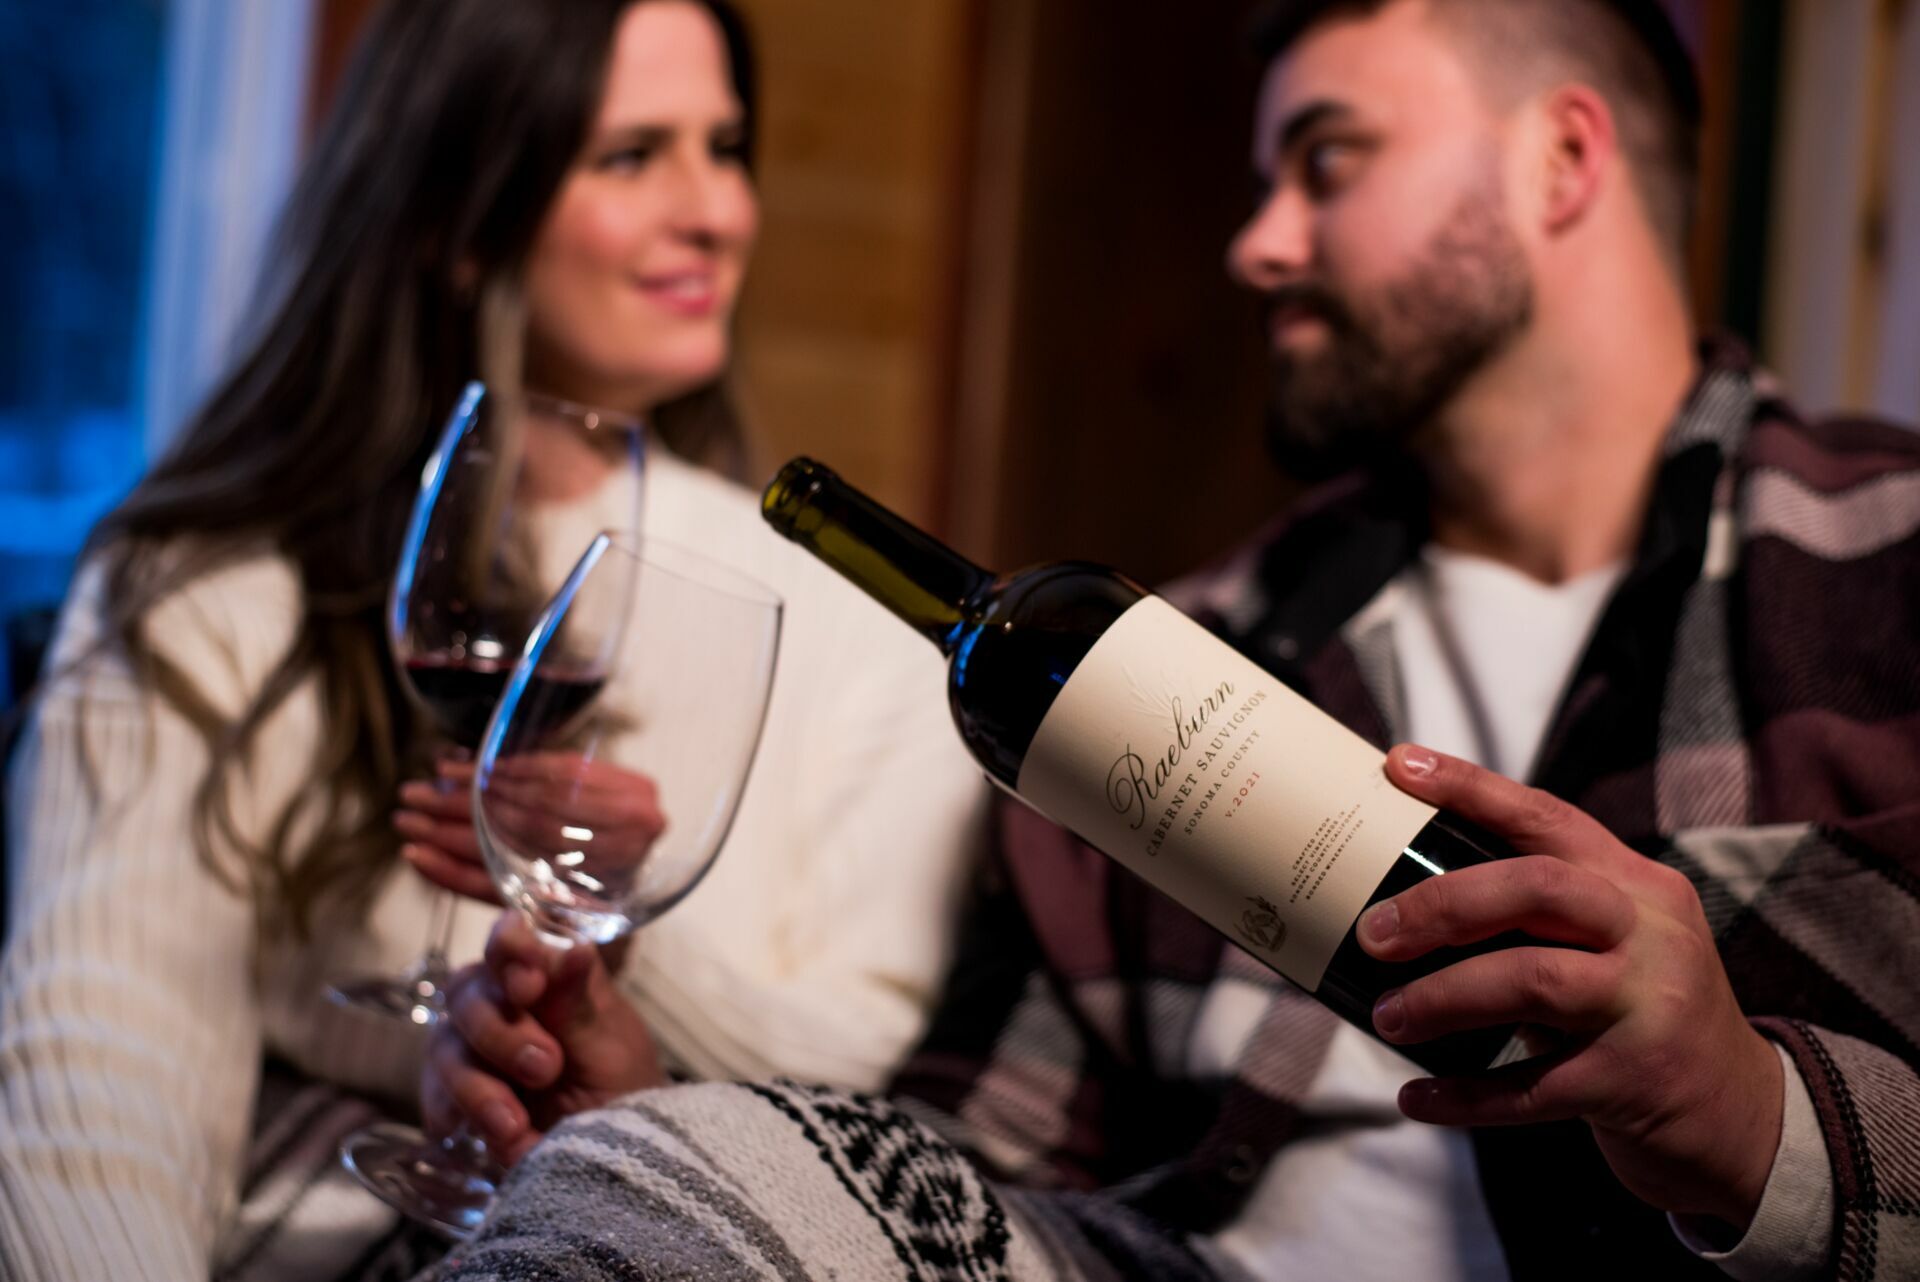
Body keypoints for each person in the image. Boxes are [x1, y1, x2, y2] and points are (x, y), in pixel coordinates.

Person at [418, 1, 1920, 1279]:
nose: (1257, 245)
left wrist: (1758, 1116)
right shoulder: (1170, 665)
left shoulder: (1883, 565)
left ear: (1562, 157)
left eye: (1325, 162)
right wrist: (678, 1119)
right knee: (637, 1184)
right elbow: (969, 1163)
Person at [0, 3, 986, 1280]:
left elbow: (862, 1093)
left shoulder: (859, 621)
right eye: (631, 156)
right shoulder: (209, 583)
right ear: (457, 219)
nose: (717, 211)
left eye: (726, 147)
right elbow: (103, 1071)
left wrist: (621, 932)